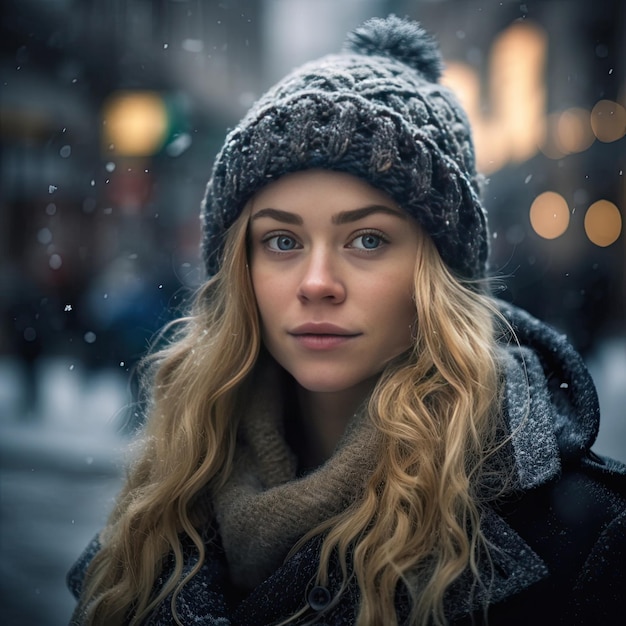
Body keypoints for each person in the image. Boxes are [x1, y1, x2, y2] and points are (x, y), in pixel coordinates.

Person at [67, 15, 626, 626]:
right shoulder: (159, 508)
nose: (316, 284)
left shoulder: (585, 537)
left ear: (436, 272)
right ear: (240, 269)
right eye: (281, 241)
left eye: (365, 239)